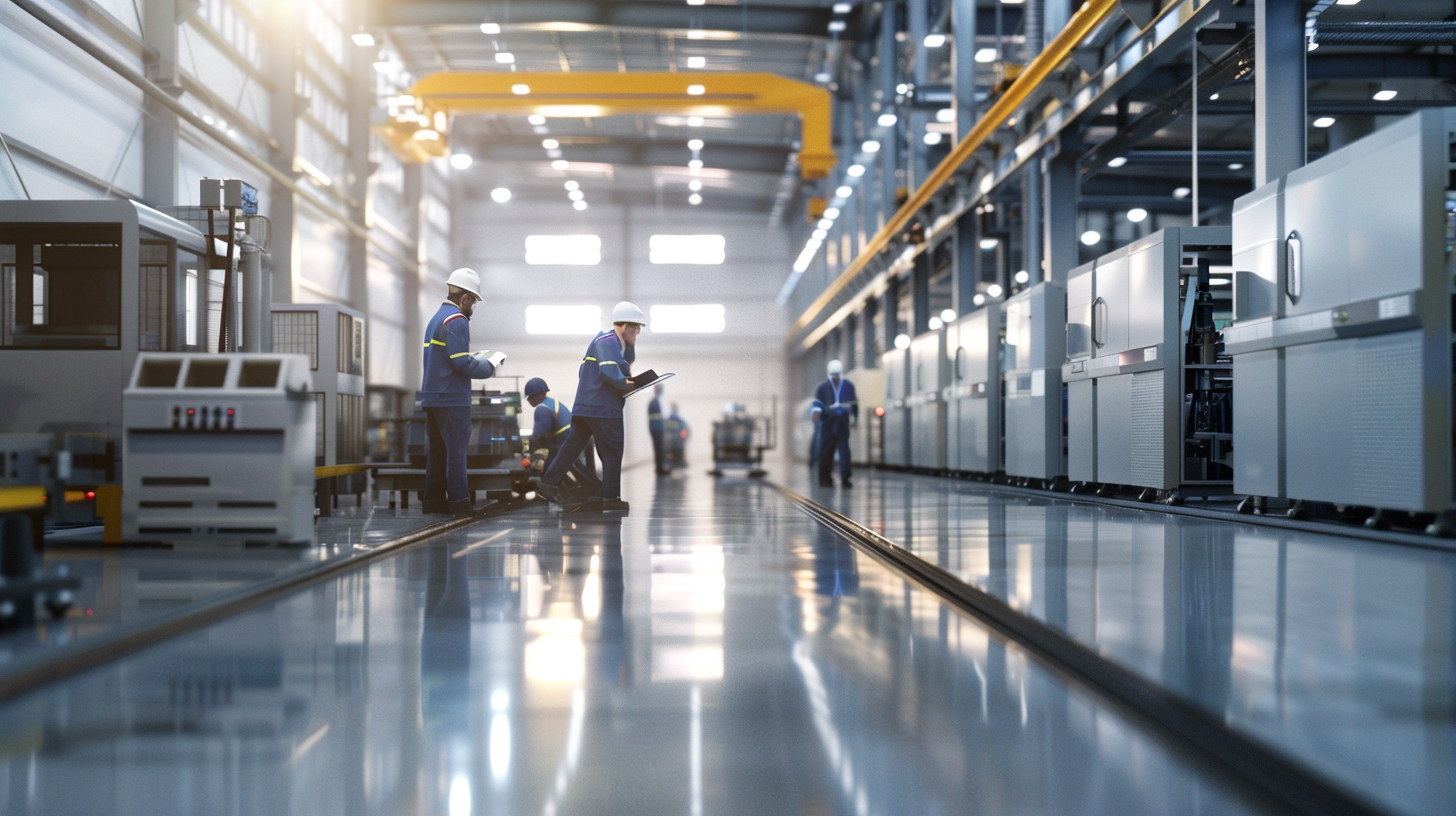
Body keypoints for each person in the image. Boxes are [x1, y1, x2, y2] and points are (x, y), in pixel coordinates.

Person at [537, 301, 647, 513]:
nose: (637, 333)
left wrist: (630, 351)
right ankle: (611, 498)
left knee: (572, 447)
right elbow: (609, 373)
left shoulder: (607, 343)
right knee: (613, 450)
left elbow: (597, 370)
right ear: (624, 326)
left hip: (586, 408)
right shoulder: (608, 341)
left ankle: (548, 484)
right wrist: (628, 385)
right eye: (635, 328)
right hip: (603, 409)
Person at [418, 268, 507, 516]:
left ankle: (433, 501)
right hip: (452, 399)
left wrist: (471, 358)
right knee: (456, 451)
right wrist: (489, 365)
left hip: (432, 397)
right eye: (473, 303)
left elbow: (448, 359)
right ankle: (459, 503)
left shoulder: (436, 318)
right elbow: (462, 363)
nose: (472, 309)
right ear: (465, 298)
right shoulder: (456, 320)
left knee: (437, 452)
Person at [811, 359, 858, 488]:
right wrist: (817, 413)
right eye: (833, 375)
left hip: (842, 422)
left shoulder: (848, 386)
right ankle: (825, 479)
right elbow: (817, 404)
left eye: (837, 375)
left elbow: (854, 404)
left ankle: (845, 478)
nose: (836, 378)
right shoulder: (822, 388)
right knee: (826, 452)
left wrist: (854, 419)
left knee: (844, 452)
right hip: (828, 423)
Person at [648, 384, 668, 475]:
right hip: (656, 429)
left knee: (659, 448)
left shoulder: (655, 401)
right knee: (659, 448)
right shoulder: (654, 402)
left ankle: (660, 467)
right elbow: (656, 416)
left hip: (657, 428)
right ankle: (659, 468)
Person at [664, 402, 689, 470]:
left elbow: (685, 432)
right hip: (672, 445)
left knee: (678, 461)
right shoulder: (670, 421)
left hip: (676, 444)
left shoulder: (680, 421)